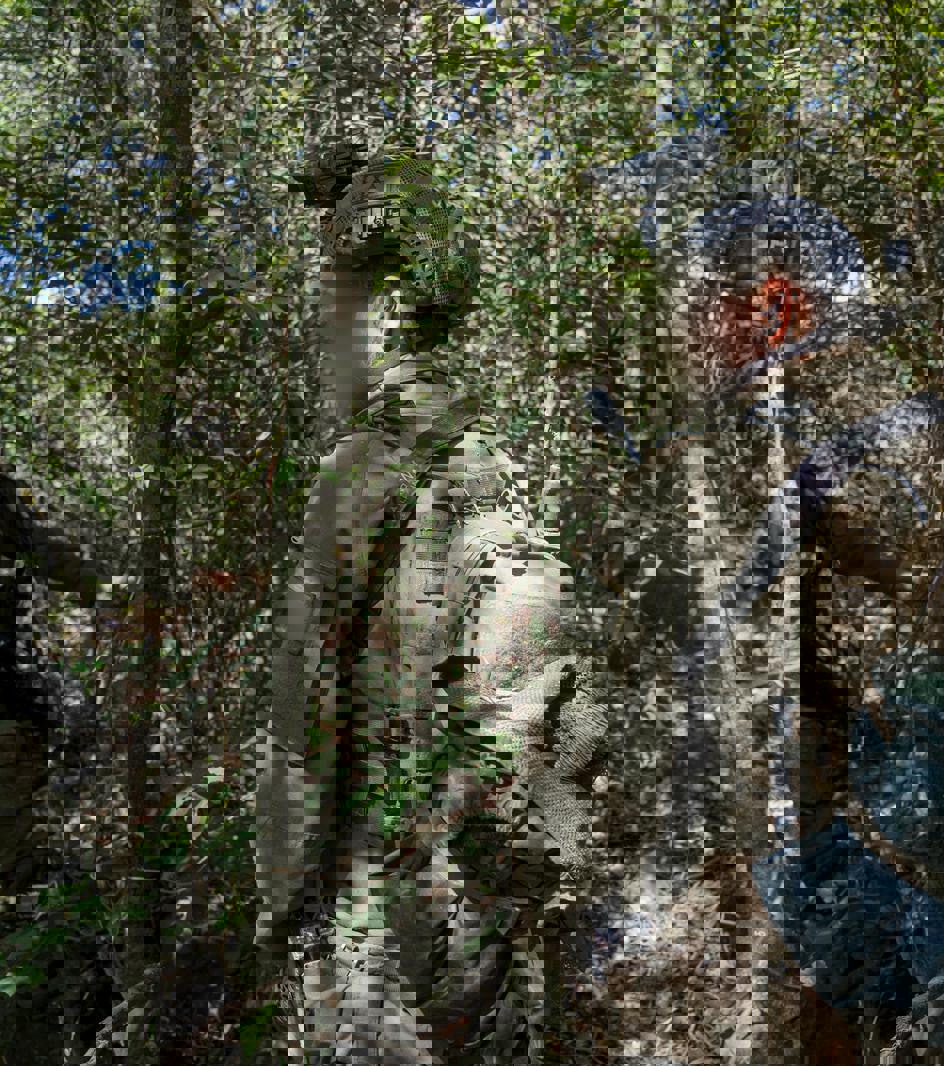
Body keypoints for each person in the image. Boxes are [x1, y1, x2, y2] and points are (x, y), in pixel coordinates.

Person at [256, 144, 606, 1065]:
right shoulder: (488, 469)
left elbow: (304, 702)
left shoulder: (370, 469)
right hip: (469, 870)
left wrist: (282, 900)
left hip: (399, 873)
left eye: (342, 313)